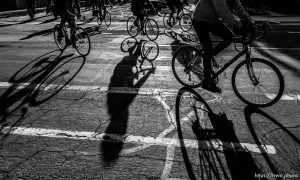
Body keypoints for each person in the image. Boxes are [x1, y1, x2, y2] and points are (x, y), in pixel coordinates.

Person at [192, 0, 257, 93]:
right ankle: (207, 82)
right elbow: (222, 10)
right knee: (208, 49)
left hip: (212, 19)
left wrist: (251, 22)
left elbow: (238, 7)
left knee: (229, 38)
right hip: (200, 19)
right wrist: (236, 24)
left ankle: (211, 56)